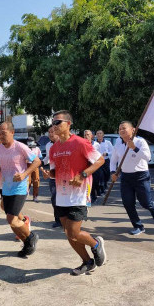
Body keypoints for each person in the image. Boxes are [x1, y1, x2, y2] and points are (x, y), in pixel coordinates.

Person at [49, 110, 106, 276]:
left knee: (74, 232)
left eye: (58, 122)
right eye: (53, 123)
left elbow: (100, 160)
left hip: (78, 195)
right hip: (61, 195)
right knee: (69, 234)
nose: (54, 126)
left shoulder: (80, 143)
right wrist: (49, 174)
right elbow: (55, 172)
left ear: (68, 124)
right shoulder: (53, 149)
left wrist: (83, 175)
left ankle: (96, 244)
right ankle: (87, 262)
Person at [0, 121, 41, 257]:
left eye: (3, 132)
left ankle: (31, 237)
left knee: (12, 220)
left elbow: (37, 161)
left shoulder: (20, 147)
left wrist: (25, 174)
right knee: (11, 219)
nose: (0, 135)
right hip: (6, 187)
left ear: (12, 132)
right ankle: (27, 243)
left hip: (20, 187)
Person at [110, 121, 154, 235]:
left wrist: (134, 148)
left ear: (133, 129)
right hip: (126, 177)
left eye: (124, 128)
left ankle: (152, 207)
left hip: (141, 176)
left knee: (145, 202)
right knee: (128, 203)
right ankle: (138, 225)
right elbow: (113, 160)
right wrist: (113, 172)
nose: (121, 130)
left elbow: (148, 157)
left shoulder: (140, 141)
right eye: (120, 129)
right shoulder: (118, 143)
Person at [41, 125, 61, 227]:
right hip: (53, 176)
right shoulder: (48, 145)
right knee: (54, 198)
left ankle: (66, 219)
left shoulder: (63, 143)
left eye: (52, 132)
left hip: (63, 176)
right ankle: (58, 220)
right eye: (49, 132)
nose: (51, 134)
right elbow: (48, 158)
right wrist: (41, 162)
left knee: (63, 198)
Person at [84, 130, 103, 203]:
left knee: (94, 182)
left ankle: (94, 195)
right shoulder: (82, 144)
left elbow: (99, 156)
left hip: (94, 167)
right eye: (85, 135)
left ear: (92, 136)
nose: (86, 136)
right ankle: (88, 198)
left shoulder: (96, 145)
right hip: (86, 167)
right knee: (87, 183)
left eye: (88, 135)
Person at [27, 136, 42, 202]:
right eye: (28, 141)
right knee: (28, 181)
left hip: (35, 165)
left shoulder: (37, 149)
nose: (30, 142)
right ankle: (26, 193)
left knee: (36, 181)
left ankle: (35, 196)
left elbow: (40, 157)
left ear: (34, 142)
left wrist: (40, 165)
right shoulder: (25, 148)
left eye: (31, 141)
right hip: (28, 165)